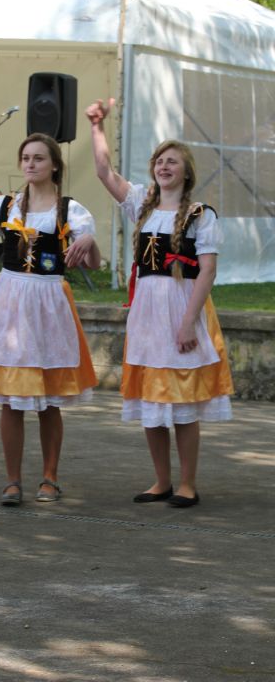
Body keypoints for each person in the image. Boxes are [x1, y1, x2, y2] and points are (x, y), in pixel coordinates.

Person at [0, 132, 100, 505]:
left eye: (39, 158)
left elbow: (92, 263)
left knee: (49, 399)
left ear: (54, 165)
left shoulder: (71, 211)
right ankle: (12, 480)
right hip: (11, 303)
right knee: (11, 399)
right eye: (26, 157)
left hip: (49, 302)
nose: (30, 164)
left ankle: (50, 477)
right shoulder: (3, 206)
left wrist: (89, 242)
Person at [86, 98, 234, 508]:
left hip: (181, 309)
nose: (164, 166)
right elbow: (104, 171)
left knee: (182, 403)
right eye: (159, 161)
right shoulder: (142, 206)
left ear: (186, 172)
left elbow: (207, 272)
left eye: (172, 161)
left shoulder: (201, 215)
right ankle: (161, 481)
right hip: (148, 312)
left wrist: (187, 323)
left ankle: (187, 484)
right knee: (151, 401)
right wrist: (97, 126)